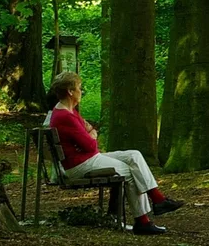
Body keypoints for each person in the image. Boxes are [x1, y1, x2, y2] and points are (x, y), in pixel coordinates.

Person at [45, 72, 182, 235]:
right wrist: (92, 135)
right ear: (70, 91)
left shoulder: (68, 111)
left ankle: (158, 200)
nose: (81, 91)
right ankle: (143, 221)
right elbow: (89, 144)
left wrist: (89, 134)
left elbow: (87, 134)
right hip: (80, 165)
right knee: (131, 172)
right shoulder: (65, 116)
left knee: (134, 155)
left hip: (86, 158)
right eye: (79, 88)